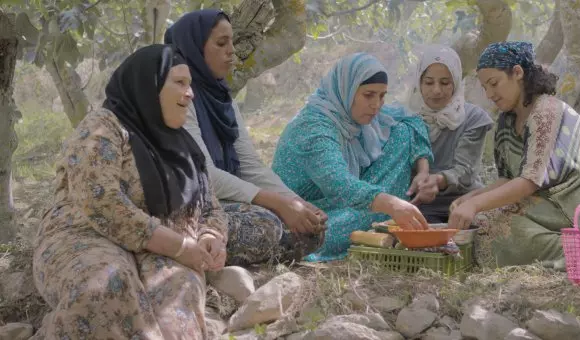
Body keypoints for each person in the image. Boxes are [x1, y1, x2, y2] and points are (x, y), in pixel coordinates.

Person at [31, 45, 225, 339]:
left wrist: (211, 236)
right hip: (84, 236)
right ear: (150, 85)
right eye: (180, 83)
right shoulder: (103, 127)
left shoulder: (186, 147)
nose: (190, 93)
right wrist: (180, 247)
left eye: (191, 85)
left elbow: (210, 207)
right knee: (108, 285)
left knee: (176, 316)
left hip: (163, 249)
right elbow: (102, 203)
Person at [165, 9, 326, 266]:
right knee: (267, 224)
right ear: (194, 47)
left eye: (231, 41)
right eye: (221, 43)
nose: (231, 51)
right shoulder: (179, 97)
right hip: (185, 205)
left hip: (221, 202)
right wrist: (278, 203)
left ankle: (225, 257)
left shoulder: (222, 97)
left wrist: (296, 202)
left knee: (311, 231)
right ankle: (198, 253)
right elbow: (204, 176)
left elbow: (249, 164)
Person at [448, 41, 580, 268]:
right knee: (483, 224)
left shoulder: (546, 110)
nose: (490, 94)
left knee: (488, 224)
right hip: (550, 198)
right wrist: (472, 198)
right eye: (485, 87)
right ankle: (579, 250)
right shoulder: (506, 120)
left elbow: (529, 182)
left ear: (517, 73)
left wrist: (476, 205)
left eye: (494, 83)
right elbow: (508, 179)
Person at [271, 52, 433, 262]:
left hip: (344, 205)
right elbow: (338, 185)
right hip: (307, 216)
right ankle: (376, 221)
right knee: (317, 237)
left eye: (382, 96)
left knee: (401, 132)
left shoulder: (355, 116)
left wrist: (423, 170)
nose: (376, 105)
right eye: (368, 95)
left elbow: (411, 121)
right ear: (346, 90)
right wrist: (392, 204)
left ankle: (376, 221)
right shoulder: (313, 127)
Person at [404, 44, 494, 223]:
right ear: (419, 84)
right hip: (418, 207)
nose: (436, 90)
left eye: (445, 83)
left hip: (466, 204)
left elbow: (466, 172)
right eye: (429, 82)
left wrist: (438, 180)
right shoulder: (405, 120)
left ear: (457, 83)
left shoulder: (473, 118)